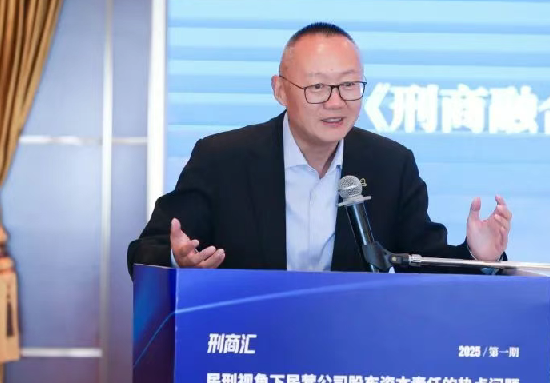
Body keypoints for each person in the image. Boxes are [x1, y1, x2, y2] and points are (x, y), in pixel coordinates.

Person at [127, 22, 512, 277]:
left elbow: (420, 263)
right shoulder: (222, 160)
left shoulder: (390, 165)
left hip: (347, 356)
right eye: (317, 87)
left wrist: (478, 257)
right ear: (280, 90)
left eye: (349, 85)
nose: (336, 102)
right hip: (248, 348)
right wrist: (177, 261)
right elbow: (145, 251)